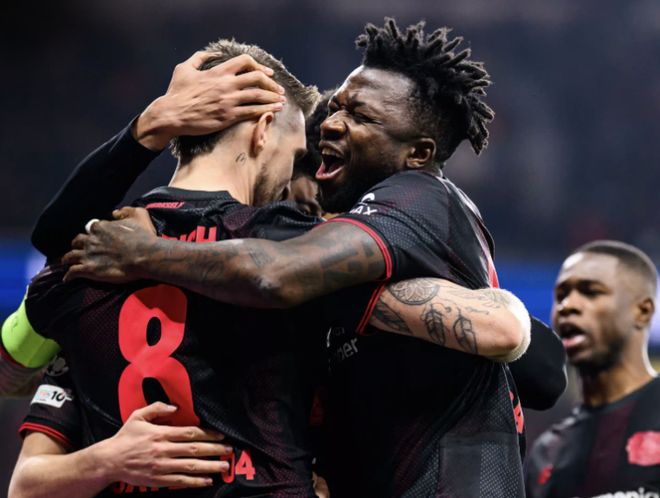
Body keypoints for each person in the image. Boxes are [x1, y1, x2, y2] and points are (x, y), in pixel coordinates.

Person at [7, 38, 530, 498]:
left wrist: (102, 460)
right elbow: (502, 334)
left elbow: (11, 373)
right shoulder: (291, 245)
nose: (296, 180)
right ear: (262, 131)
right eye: (296, 153)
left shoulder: (87, 256)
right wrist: (507, 312)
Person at [526, 240, 660, 498]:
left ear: (642, 311)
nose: (568, 305)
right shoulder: (547, 454)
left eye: (591, 292)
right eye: (561, 295)